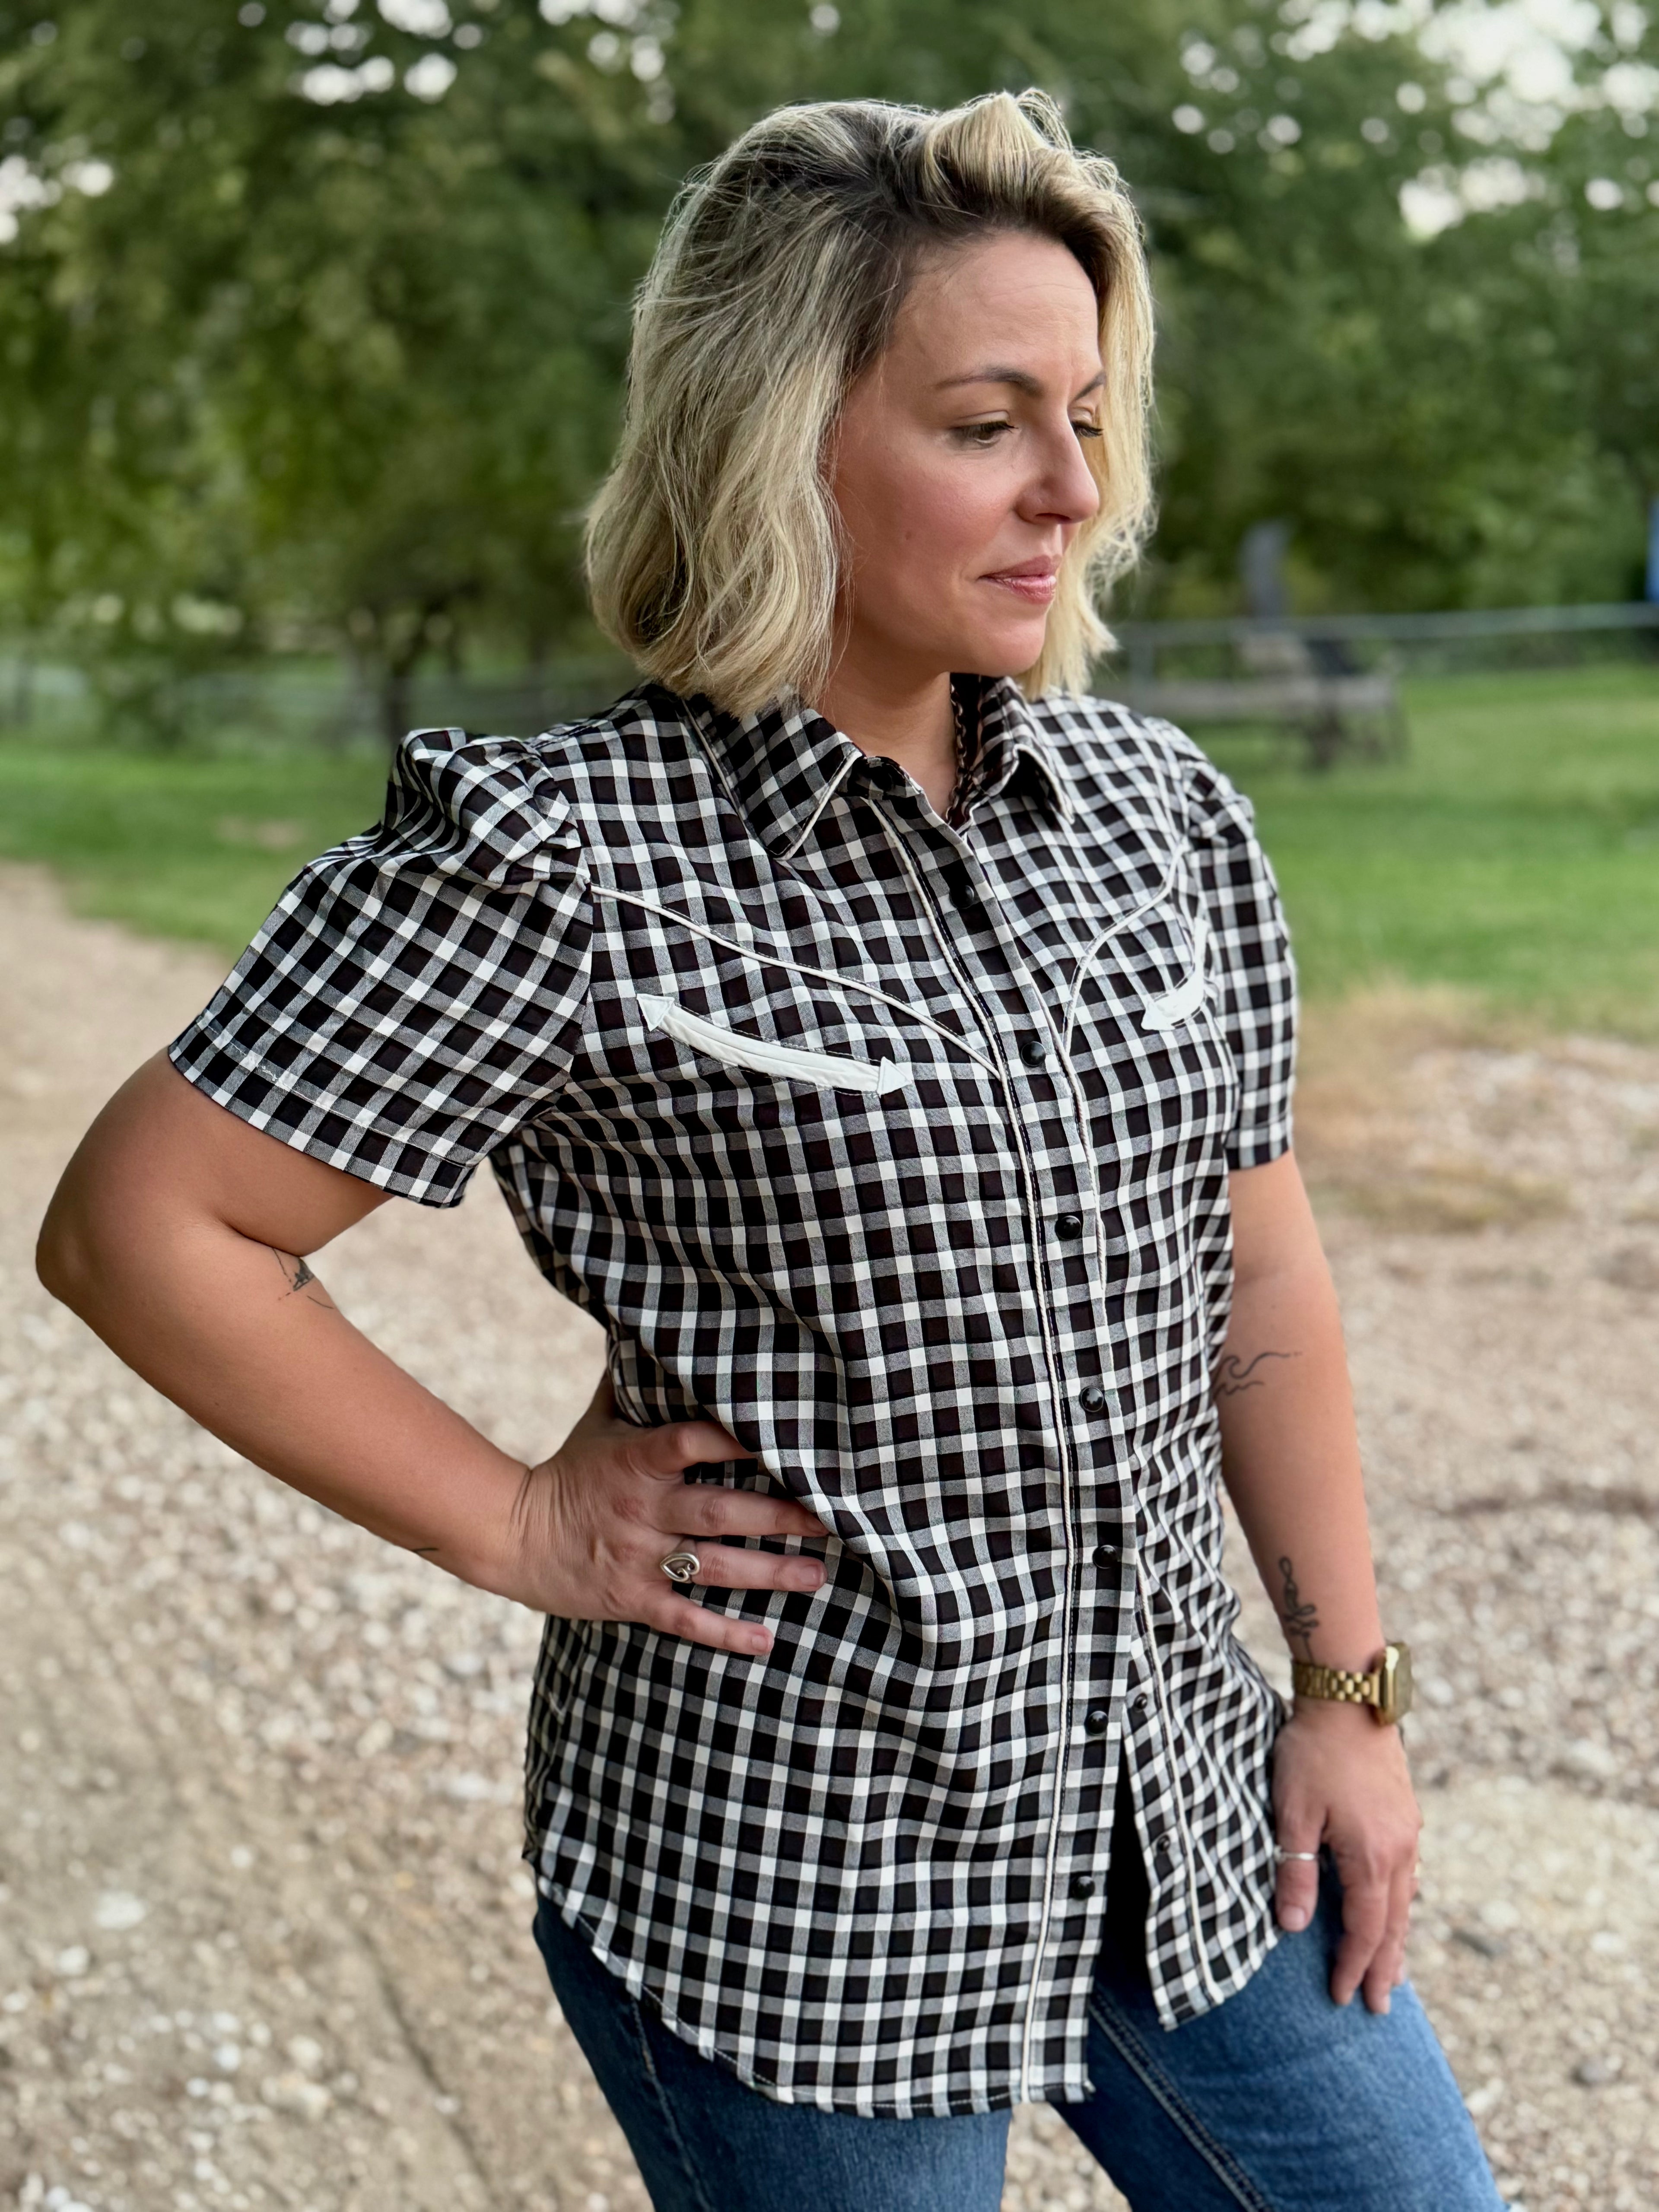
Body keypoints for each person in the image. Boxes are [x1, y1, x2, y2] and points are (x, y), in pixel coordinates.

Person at [37, 89, 1503, 2212]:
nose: (1076, 491)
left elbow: (1254, 1261)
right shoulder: (557, 855)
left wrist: (1345, 1688)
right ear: (777, 431)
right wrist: (519, 1523)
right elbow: (142, 1223)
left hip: (1182, 1812)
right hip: (799, 1886)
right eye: (990, 420)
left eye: (1088, 417)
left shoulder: (1167, 818)